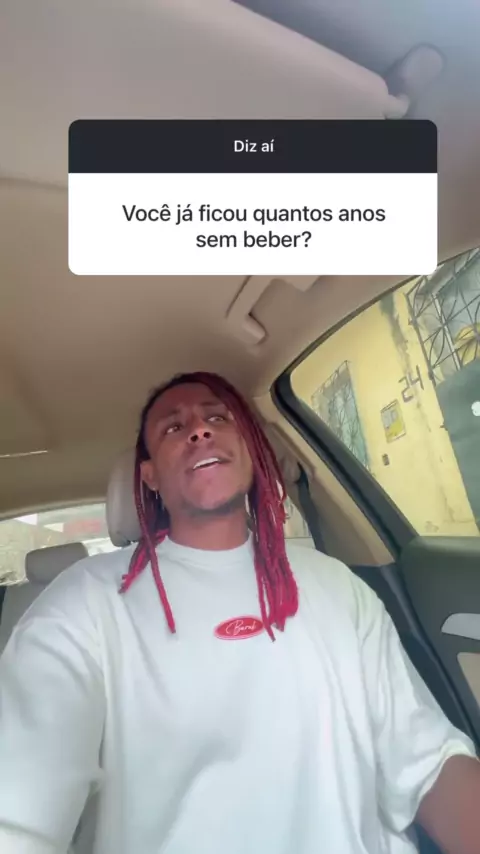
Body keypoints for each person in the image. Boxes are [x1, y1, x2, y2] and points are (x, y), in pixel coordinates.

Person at [0, 371, 479, 854]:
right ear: (149, 477)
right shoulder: (82, 604)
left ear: (249, 448)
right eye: (173, 427)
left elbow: (428, 763)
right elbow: (18, 814)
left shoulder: (339, 587)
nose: (199, 430)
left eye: (218, 417)